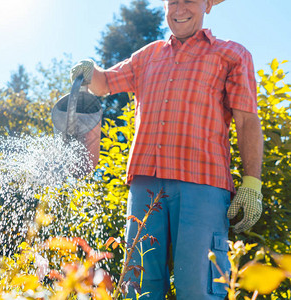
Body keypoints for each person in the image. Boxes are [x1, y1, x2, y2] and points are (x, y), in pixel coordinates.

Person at [70, 0, 264, 299]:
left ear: (207, 6)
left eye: (189, 0)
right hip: (145, 181)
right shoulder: (148, 55)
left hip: (203, 182)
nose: (179, 8)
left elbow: (247, 118)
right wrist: (89, 69)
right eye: (173, 1)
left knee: (198, 285)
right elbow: (105, 82)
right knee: (139, 286)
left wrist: (252, 182)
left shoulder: (231, 53)